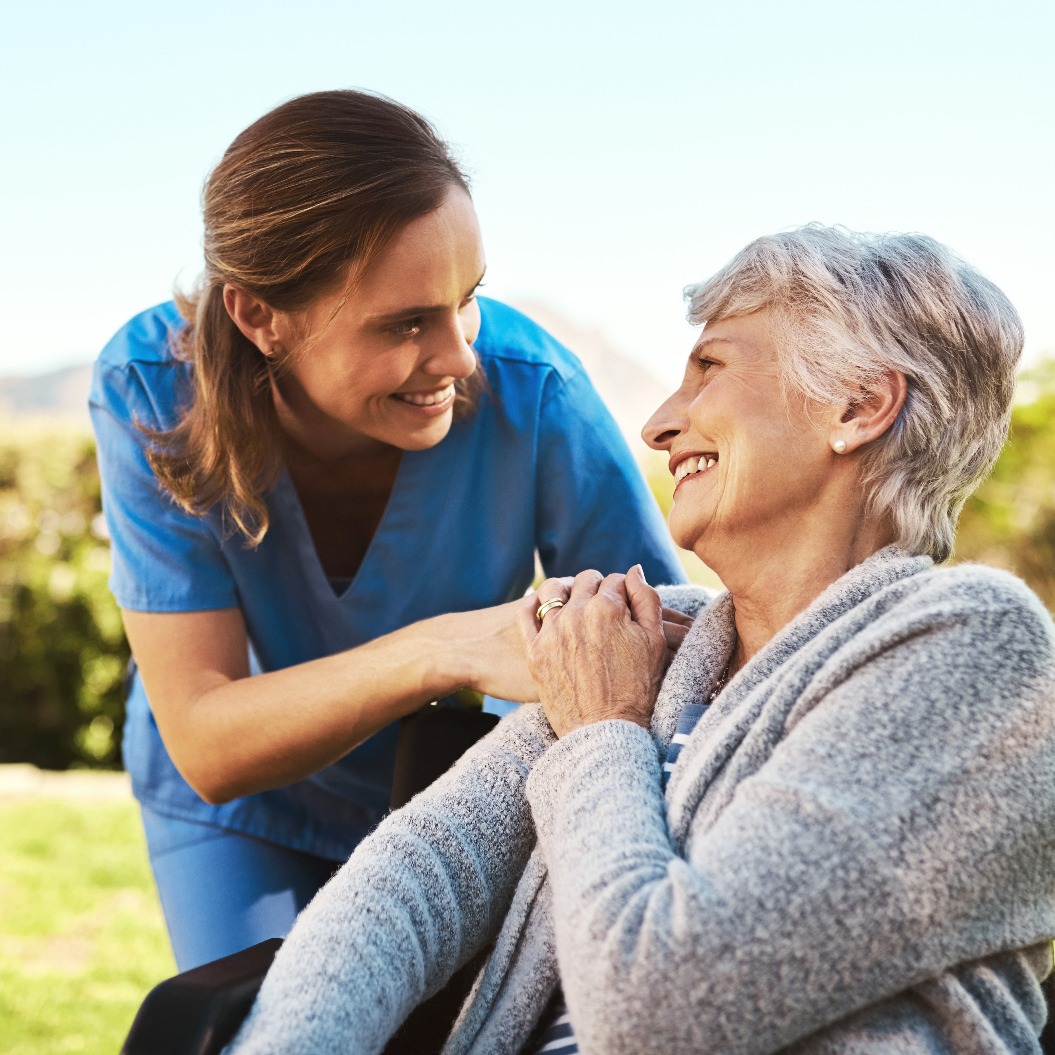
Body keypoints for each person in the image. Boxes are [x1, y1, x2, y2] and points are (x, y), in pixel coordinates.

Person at [224, 225, 1055, 1055]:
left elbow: (661, 1014)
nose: (659, 424)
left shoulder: (972, 648)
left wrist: (603, 729)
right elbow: (417, 878)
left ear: (858, 405)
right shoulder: (662, 640)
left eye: (710, 369)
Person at [88, 89, 686, 971]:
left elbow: (656, 643)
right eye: (405, 323)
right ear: (260, 317)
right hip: (236, 811)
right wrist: (442, 649)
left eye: (467, 298)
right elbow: (207, 738)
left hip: (446, 790)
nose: (459, 357)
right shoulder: (148, 391)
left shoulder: (536, 389)